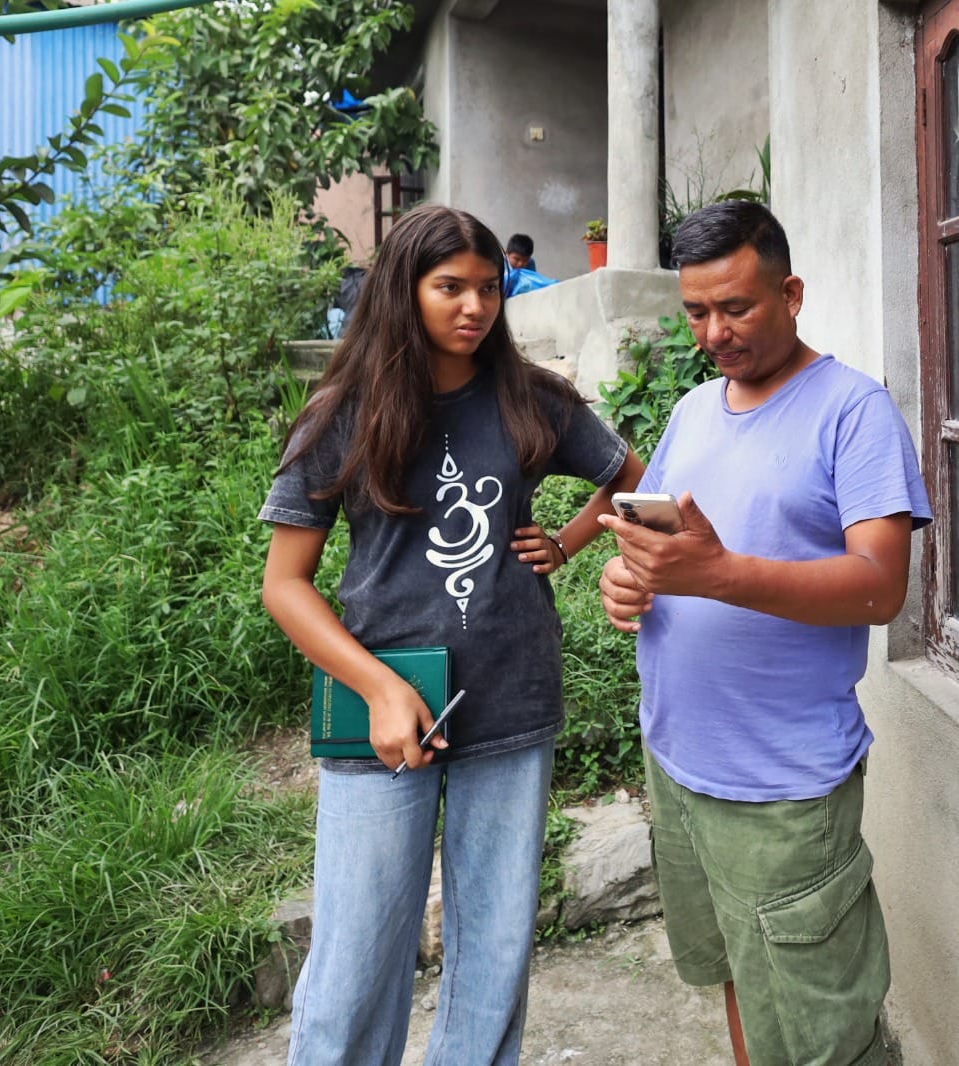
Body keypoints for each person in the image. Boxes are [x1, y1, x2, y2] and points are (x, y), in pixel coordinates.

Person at [260, 204, 645, 1065]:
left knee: (496, 956)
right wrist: (379, 688)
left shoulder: (533, 400)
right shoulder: (344, 414)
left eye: (487, 288)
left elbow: (633, 480)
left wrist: (568, 540)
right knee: (356, 957)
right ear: (406, 290)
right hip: (382, 712)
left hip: (510, 695)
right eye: (449, 288)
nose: (473, 307)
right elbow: (285, 588)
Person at [597, 201, 931, 1066]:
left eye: (736, 308)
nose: (714, 333)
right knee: (739, 983)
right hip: (678, 765)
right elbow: (664, 544)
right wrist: (627, 578)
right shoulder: (695, 411)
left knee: (826, 1039)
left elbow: (880, 586)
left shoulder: (853, 414)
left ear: (791, 293)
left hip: (782, 791)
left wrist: (717, 575)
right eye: (696, 312)